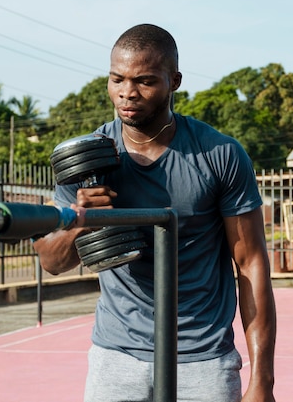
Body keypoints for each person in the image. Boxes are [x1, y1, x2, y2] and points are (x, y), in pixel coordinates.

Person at [33, 24, 277, 402]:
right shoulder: (85, 162)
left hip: (202, 360)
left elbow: (251, 265)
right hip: (116, 358)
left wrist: (262, 381)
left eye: (144, 81)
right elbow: (52, 261)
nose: (127, 93)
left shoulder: (219, 155)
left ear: (174, 81)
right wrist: (79, 221)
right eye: (117, 79)